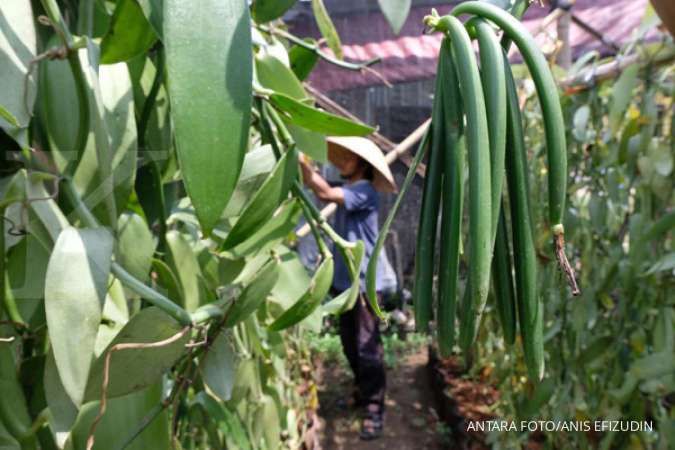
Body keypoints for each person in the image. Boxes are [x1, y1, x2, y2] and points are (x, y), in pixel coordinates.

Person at [299, 136, 397, 441]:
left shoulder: (365, 191)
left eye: (348, 158)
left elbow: (325, 192)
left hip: (365, 284)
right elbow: (319, 185)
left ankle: (374, 408)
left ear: (363, 165)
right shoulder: (350, 189)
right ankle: (361, 389)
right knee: (349, 343)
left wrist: (302, 161)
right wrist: (303, 163)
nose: (341, 161)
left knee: (368, 346)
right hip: (345, 283)